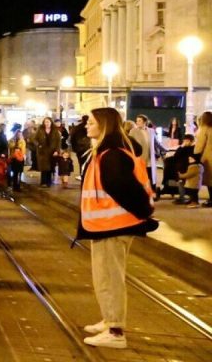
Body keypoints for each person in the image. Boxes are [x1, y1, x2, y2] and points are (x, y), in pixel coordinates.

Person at [78, 107, 158, 349]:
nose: (86, 126)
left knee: (109, 278)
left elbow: (120, 186)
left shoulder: (111, 155)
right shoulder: (107, 152)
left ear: (103, 125)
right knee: (105, 277)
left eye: (91, 122)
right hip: (107, 225)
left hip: (112, 226)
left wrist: (144, 213)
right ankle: (109, 320)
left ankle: (115, 331)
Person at [172, 134, 202, 207]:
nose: (185, 142)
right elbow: (176, 155)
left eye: (187, 141)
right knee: (181, 183)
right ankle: (183, 197)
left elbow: (196, 158)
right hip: (181, 168)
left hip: (190, 168)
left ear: (191, 141)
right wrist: (182, 146)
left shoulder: (194, 148)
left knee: (192, 186)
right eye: (184, 140)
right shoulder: (183, 148)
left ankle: (193, 200)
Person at [33, 117, 59, 187]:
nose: (47, 123)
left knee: (50, 167)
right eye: (45, 122)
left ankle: (49, 182)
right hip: (42, 151)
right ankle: (43, 182)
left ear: (51, 122)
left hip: (52, 151)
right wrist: (38, 145)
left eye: (48, 122)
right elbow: (35, 139)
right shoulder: (40, 130)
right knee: (44, 168)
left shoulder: (55, 131)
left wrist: (57, 150)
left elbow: (58, 141)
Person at [197, 111, 212, 207]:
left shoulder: (204, 128)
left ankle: (211, 200)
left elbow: (200, 144)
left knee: (209, 180)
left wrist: (196, 154)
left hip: (208, 157)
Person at [8, 124, 27, 193]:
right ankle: (15, 186)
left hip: (20, 158)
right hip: (14, 159)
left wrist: (19, 149)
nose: (19, 136)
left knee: (19, 173)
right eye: (17, 134)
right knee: (15, 173)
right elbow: (10, 146)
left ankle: (17, 186)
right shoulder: (12, 140)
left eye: (20, 134)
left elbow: (23, 150)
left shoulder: (22, 141)